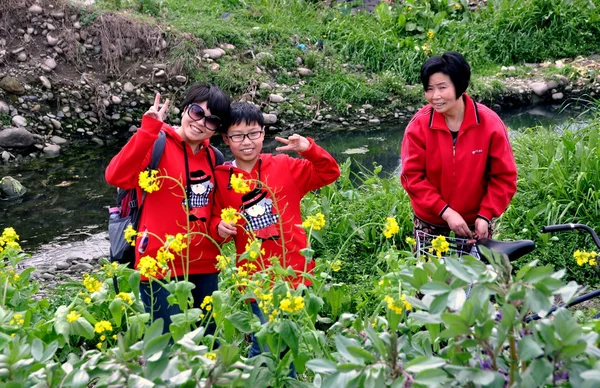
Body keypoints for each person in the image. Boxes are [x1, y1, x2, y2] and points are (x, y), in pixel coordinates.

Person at [211, 101, 340, 374]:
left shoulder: (285, 166)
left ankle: (278, 378)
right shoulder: (221, 179)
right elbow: (214, 222)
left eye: (253, 133)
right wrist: (219, 227)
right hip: (255, 276)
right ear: (226, 139)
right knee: (267, 342)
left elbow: (330, 173)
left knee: (288, 342)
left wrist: (309, 150)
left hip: (293, 271)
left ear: (263, 133)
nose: (246, 142)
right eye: (237, 136)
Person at [105, 84, 231, 333]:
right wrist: (146, 131)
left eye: (211, 120)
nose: (200, 123)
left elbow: (213, 211)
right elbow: (116, 176)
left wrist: (219, 228)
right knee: (166, 343)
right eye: (197, 112)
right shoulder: (155, 144)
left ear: (217, 128)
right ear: (184, 109)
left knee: (210, 340)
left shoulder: (213, 158)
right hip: (157, 265)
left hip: (204, 264)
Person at [400, 51, 517, 242]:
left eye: (442, 87)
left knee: (476, 271)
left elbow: (504, 176)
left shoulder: (489, 124)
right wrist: (446, 212)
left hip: (475, 221)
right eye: (429, 89)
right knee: (430, 272)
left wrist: (486, 214)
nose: (435, 96)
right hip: (431, 218)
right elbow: (412, 176)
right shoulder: (418, 126)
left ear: (460, 85)